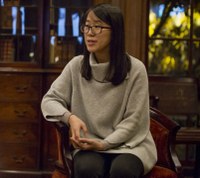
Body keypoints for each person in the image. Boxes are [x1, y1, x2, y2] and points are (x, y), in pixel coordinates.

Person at [41, 3, 157, 178]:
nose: (90, 32)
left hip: (130, 145)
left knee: (122, 170)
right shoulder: (76, 66)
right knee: (88, 169)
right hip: (89, 144)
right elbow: (49, 100)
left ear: (116, 32)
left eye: (98, 26)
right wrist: (70, 117)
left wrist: (105, 144)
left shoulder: (135, 69)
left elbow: (134, 121)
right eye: (87, 26)